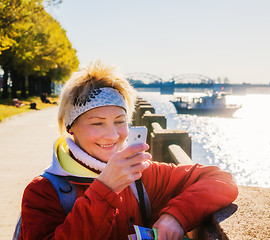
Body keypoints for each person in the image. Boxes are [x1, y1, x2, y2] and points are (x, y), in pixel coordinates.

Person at [19, 61, 238, 240]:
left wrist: (176, 216)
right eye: (97, 123)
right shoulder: (43, 192)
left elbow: (221, 181)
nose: (113, 135)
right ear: (71, 127)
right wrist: (105, 189)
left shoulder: (142, 176)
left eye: (120, 121)